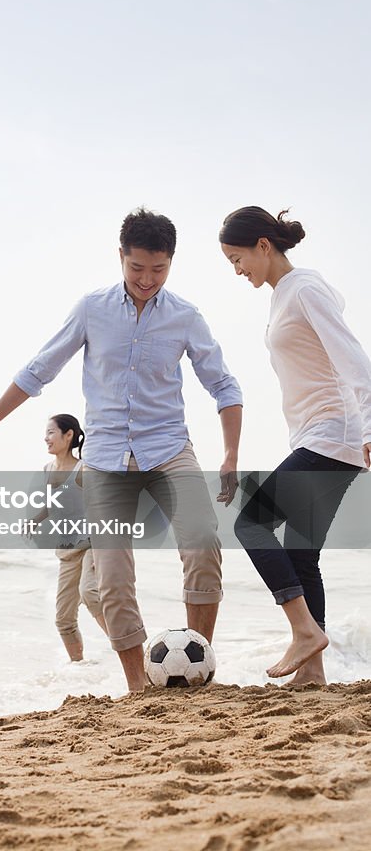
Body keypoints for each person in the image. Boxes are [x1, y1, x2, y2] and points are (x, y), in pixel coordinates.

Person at [0, 206, 243, 691]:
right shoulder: (92, 308)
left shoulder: (185, 317)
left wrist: (230, 454)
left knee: (202, 540)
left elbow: (224, 385)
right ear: (120, 257)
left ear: (171, 262)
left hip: (169, 449)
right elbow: (38, 370)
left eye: (158, 269)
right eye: (137, 268)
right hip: (107, 459)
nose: (147, 279)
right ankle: (139, 686)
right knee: (111, 576)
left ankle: (195, 670)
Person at [220, 206, 371, 684]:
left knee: (251, 523)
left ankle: (304, 632)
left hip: (334, 432)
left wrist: (369, 428)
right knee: (302, 552)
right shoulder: (284, 294)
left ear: (264, 245)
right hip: (319, 434)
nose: (237, 269)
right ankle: (314, 673)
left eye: (237, 258)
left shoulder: (304, 288)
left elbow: (352, 358)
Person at [32, 414, 107, 662]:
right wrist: (35, 520)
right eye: (46, 433)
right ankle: (80, 669)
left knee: (91, 594)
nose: (46, 438)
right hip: (66, 550)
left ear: (69, 435)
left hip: (91, 544)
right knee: (63, 620)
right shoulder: (47, 470)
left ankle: (131, 653)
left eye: (51, 432)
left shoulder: (83, 468)